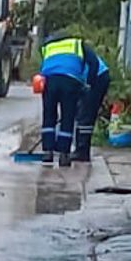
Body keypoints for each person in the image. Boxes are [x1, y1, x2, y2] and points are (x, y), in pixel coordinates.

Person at [38, 32, 104, 167]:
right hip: (70, 80)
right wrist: (88, 83)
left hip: (49, 80)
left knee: (49, 115)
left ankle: (47, 152)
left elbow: (44, 65)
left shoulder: (49, 46)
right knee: (67, 116)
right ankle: (64, 155)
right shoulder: (78, 44)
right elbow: (94, 63)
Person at [75, 50, 112, 164]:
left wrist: (89, 84)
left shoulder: (79, 48)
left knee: (86, 114)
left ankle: (82, 152)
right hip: (88, 80)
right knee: (80, 113)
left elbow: (94, 63)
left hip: (97, 78)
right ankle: (80, 149)